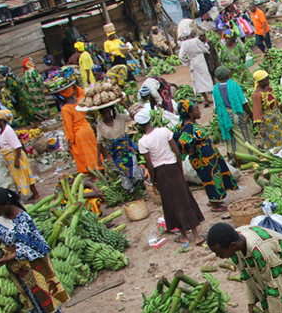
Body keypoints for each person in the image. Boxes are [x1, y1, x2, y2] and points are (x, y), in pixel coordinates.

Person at [0, 187, 69, 313]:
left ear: (7, 204)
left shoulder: (22, 219)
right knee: (29, 296)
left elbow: (34, 245)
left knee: (43, 297)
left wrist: (7, 258)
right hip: (17, 266)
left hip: (33, 264)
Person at [136, 108, 206, 246]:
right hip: (174, 168)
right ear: (150, 120)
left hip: (161, 173)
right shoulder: (164, 131)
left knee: (171, 204)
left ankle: (184, 236)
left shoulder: (143, 142)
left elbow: (150, 166)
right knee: (185, 199)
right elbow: (177, 153)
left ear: (139, 125)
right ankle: (196, 236)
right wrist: (181, 171)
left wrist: (154, 183)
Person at [175, 100, 238, 212]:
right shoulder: (189, 126)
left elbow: (175, 134)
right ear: (190, 114)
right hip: (203, 157)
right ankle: (215, 204)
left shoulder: (185, 124)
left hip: (206, 155)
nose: (199, 111)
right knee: (211, 178)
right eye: (196, 110)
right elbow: (182, 142)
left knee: (209, 177)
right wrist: (191, 148)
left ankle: (213, 200)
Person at [0, 108, 40, 202]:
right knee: (20, 176)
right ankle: (31, 194)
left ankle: (36, 194)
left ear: (2, 120)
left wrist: (16, 161)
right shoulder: (1, 130)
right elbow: (1, 143)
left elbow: (18, 146)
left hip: (16, 156)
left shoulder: (8, 131)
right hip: (10, 158)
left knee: (25, 175)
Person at [56, 80, 102, 173]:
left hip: (79, 134)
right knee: (94, 151)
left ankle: (93, 175)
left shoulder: (65, 109)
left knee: (85, 156)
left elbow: (68, 126)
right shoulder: (80, 101)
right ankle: (101, 169)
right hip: (88, 129)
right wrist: (73, 85)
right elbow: (82, 92)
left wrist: (70, 140)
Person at [96, 104, 143, 189]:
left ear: (111, 111)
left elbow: (133, 117)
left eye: (108, 111)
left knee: (134, 168)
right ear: (101, 114)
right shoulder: (100, 126)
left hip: (128, 149)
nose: (106, 114)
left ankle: (140, 184)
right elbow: (99, 141)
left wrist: (125, 105)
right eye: (104, 112)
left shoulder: (120, 117)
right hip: (116, 154)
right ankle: (132, 192)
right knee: (124, 173)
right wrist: (98, 157)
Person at [213, 66, 255, 156]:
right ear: (228, 74)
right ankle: (251, 155)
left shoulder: (215, 89)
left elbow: (216, 107)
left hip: (225, 117)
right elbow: (244, 102)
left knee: (232, 139)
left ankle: (236, 156)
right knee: (246, 136)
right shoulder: (234, 86)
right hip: (238, 115)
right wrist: (251, 115)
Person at [251, 70, 282, 148]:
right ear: (260, 82)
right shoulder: (257, 95)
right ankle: (277, 151)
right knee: (274, 137)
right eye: (266, 80)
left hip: (277, 115)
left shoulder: (268, 88)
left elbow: (273, 99)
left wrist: (281, 106)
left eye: (268, 79)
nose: (268, 81)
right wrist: (261, 127)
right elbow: (257, 111)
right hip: (268, 119)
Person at [178, 29, 214, 107]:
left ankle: (206, 100)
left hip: (193, 62)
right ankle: (214, 98)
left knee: (198, 81)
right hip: (200, 60)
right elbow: (205, 49)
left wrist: (186, 61)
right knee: (207, 79)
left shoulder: (184, 44)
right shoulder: (196, 40)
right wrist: (206, 43)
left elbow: (181, 56)